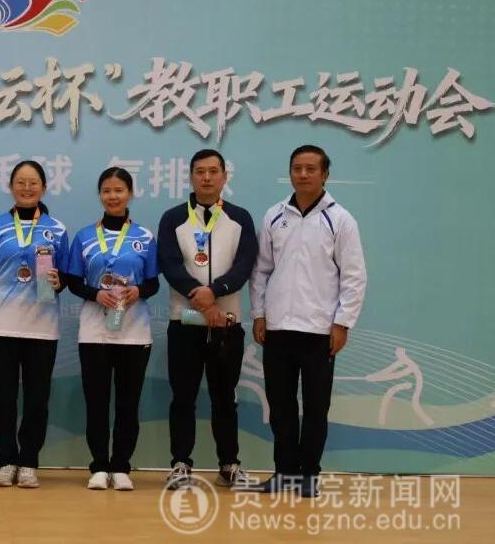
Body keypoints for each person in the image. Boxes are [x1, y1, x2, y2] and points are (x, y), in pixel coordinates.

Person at [249, 144, 367, 498]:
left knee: (316, 408)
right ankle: (284, 472)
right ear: (290, 173)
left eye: (310, 169)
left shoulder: (340, 220)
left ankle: (309, 475)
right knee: (281, 406)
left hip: (319, 331)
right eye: (297, 168)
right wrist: (259, 314)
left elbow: (354, 276)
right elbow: (261, 270)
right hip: (278, 329)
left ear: (325, 175)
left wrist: (342, 323)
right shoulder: (274, 216)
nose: (303, 174)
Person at [0, 160, 70, 489]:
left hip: (41, 327)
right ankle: (7, 460)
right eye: (20, 182)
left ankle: (29, 461)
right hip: (0, 327)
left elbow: (68, 277)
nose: (27, 188)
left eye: (33, 183)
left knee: (37, 399)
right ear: (11, 187)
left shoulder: (57, 229)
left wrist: (59, 282)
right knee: (3, 397)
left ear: (44, 188)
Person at [157, 149, 258, 490]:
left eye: (214, 171)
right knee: (182, 397)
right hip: (184, 322)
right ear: (190, 177)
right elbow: (170, 264)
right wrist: (197, 295)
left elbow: (244, 265)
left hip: (226, 324)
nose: (207, 177)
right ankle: (180, 463)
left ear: (224, 177)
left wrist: (214, 291)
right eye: (200, 171)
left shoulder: (240, 218)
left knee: (224, 397)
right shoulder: (173, 218)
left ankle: (229, 464)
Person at [65, 167, 159, 491]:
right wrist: (96, 294)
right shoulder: (84, 237)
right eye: (107, 190)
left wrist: (137, 291)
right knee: (96, 402)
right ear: (100, 195)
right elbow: (73, 281)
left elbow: (153, 283)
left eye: (119, 190)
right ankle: (98, 466)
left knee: (128, 404)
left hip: (134, 331)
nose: (113, 196)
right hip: (94, 331)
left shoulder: (144, 237)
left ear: (130, 194)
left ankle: (121, 466)